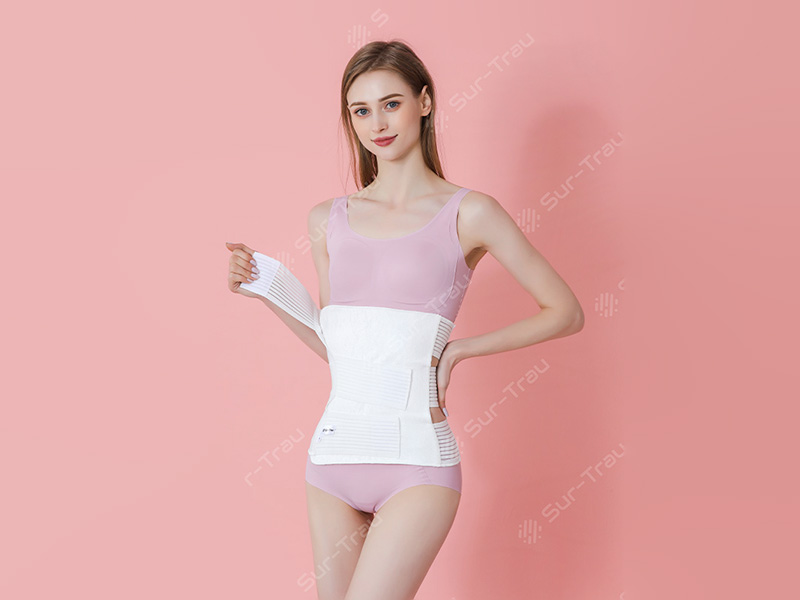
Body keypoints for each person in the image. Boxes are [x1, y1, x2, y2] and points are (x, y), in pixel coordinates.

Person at [226, 39, 584, 600]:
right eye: (360, 111)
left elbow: (566, 311)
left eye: (391, 104)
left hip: (416, 461)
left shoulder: (469, 212)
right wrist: (265, 288)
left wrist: (460, 350)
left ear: (424, 102)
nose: (377, 124)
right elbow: (338, 349)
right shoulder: (327, 219)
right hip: (332, 458)